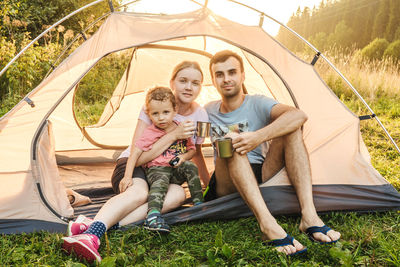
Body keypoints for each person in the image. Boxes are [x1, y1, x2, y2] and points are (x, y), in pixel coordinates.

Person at [61, 61, 209, 263]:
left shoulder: (201, 115)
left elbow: (197, 152)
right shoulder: (154, 106)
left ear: (201, 86)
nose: (189, 87)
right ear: (172, 82)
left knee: (177, 194)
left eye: (195, 83)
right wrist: (174, 135)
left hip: (164, 172)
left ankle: (95, 225)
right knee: (140, 193)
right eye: (183, 81)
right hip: (135, 165)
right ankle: (92, 235)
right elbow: (138, 155)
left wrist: (208, 186)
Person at [204, 50, 341, 256]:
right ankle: (268, 225)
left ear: (242, 75)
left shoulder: (257, 103)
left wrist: (257, 137)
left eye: (232, 72)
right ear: (213, 81)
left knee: (291, 126)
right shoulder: (207, 110)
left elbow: (299, 115)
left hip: (261, 173)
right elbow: (189, 141)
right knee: (230, 141)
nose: (226, 79)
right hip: (226, 181)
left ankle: (309, 216)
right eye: (220, 74)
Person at [132, 86, 204, 233]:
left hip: (174, 168)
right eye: (156, 114)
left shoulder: (180, 128)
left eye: (166, 112)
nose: (161, 117)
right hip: (156, 169)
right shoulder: (151, 132)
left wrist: (183, 157)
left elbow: (192, 150)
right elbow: (135, 154)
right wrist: (127, 177)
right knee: (161, 180)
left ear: (174, 110)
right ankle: (153, 214)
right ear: (149, 114)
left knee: (190, 167)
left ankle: (199, 204)